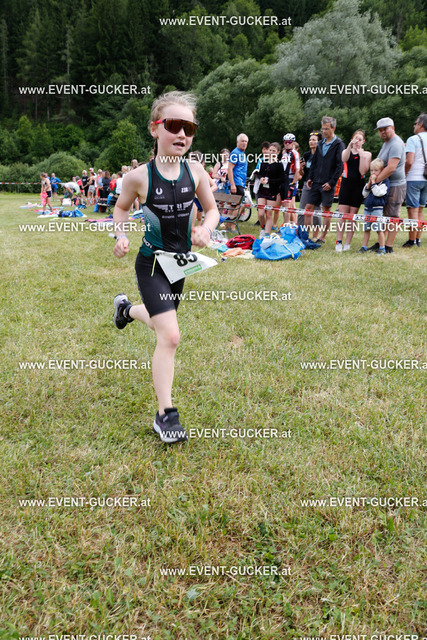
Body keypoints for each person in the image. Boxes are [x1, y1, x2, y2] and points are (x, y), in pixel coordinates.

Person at [112, 91, 219, 444]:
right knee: (170, 335)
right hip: (152, 264)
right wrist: (120, 235)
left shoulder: (196, 171)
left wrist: (206, 229)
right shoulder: (138, 177)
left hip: (180, 265)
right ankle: (165, 415)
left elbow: (213, 210)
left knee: (162, 321)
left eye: (189, 128)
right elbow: (121, 208)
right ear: (155, 129)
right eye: (173, 125)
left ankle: (126, 310)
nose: (182, 134)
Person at [367, 117, 406, 253]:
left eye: (385, 129)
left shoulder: (396, 143)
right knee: (383, 215)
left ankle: (388, 247)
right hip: (386, 183)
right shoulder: (386, 143)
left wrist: (375, 181)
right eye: (380, 130)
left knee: (393, 216)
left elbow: (391, 168)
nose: (383, 132)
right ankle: (381, 243)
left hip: (395, 185)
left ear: (393, 128)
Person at [305, 116, 345, 242]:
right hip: (316, 181)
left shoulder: (339, 144)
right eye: (323, 129)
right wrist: (310, 177)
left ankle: (322, 237)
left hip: (328, 183)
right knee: (308, 208)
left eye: (327, 129)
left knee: (326, 210)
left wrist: (331, 182)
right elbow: (314, 162)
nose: (324, 131)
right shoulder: (320, 143)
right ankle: (306, 235)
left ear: (333, 128)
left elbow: (340, 166)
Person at [335, 130, 371, 251]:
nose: (357, 142)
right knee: (342, 216)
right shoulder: (346, 151)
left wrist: (361, 156)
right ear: (352, 139)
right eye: (355, 139)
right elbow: (344, 159)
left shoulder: (367, 154)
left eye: (360, 140)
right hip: (346, 185)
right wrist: (350, 145)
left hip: (358, 186)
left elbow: (362, 171)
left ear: (363, 141)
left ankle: (347, 243)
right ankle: (339, 242)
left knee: (352, 216)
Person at [403, 113, 427, 247]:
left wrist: (404, 174)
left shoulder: (413, 139)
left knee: (412, 210)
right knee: (421, 210)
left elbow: (409, 161)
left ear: (421, 124)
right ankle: (418, 239)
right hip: (426, 179)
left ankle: (411, 241)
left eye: (415, 123)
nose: (414, 126)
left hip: (414, 178)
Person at [358, 158, 390, 254]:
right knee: (366, 229)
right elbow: (364, 194)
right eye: (371, 170)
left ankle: (382, 248)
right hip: (367, 208)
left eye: (376, 170)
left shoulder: (385, 182)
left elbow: (377, 193)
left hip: (377, 209)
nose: (373, 172)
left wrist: (373, 183)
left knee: (378, 229)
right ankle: (364, 247)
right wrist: (369, 184)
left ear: (382, 171)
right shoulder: (371, 181)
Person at [257, 142, 285, 237]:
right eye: (270, 150)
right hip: (262, 190)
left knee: (269, 214)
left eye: (274, 151)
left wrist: (269, 181)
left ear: (278, 152)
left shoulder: (279, 165)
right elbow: (259, 173)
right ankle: (263, 227)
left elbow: (281, 179)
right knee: (261, 213)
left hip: (272, 191)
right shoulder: (263, 162)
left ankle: (266, 234)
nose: (271, 152)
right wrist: (260, 178)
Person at [297, 131, 322, 230]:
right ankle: (300, 230)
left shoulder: (322, 155)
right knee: (302, 208)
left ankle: (316, 233)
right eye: (310, 140)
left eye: (314, 140)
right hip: (307, 184)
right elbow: (302, 174)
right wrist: (301, 168)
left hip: (317, 185)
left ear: (319, 142)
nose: (311, 142)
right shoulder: (306, 155)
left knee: (316, 210)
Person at [227, 133, 249, 228]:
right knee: (241, 204)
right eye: (242, 141)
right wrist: (232, 184)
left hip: (241, 183)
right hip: (236, 183)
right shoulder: (235, 153)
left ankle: (228, 226)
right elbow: (229, 169)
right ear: (237, 142)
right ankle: (232, 226)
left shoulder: (242, 154)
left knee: (233, 205)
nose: (244, 143)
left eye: (246, 141)